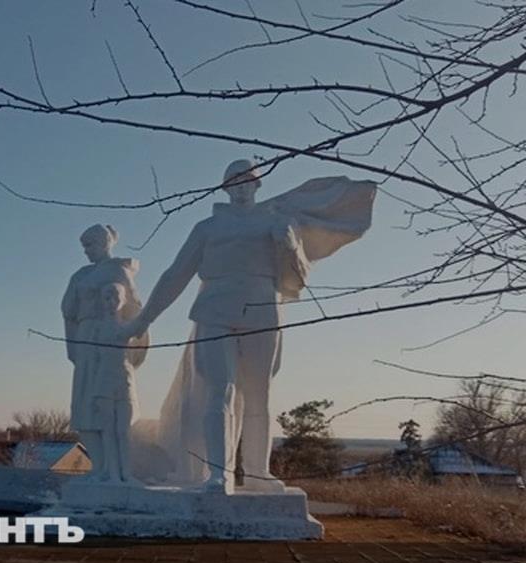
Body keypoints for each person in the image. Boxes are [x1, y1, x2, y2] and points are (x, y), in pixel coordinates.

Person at [123, 160, 375, 494]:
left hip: (261, 311)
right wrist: (145, 318)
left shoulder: (278, 221)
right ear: (225, 187)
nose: (241, 186)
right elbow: (175, 275)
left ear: (258, 185)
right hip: (214, 310)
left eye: (248, 180)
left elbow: (296, 278)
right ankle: (217, 474)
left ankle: (257, 472)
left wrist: (289, 245)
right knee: (219, 391)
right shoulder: (207, 228)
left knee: (259, 394)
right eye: (234, 181)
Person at [61, 224, 145, 477]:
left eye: (90, 245)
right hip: (86, 339)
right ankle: (100, 467)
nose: (86, 251)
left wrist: (128, 343)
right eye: (84, 246)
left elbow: (134, 310)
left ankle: (116, 469)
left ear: (104, 243)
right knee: (84, 402)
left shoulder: (118, 270)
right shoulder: (81, 274)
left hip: (108, 341)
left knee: (109, 407)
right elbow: (68, 310)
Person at [81, 283, 147, 482]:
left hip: (124, 381)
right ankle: (112, 473)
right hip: (103, 383)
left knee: (123, 431)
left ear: (123, 300)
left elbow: (143, 324)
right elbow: (92, 361)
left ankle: (126, 473)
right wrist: (92, 393)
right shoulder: (96, 329)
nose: (111, 302)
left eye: (116, 298)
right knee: (107, 431)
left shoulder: (127, 326)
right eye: (107, 298)